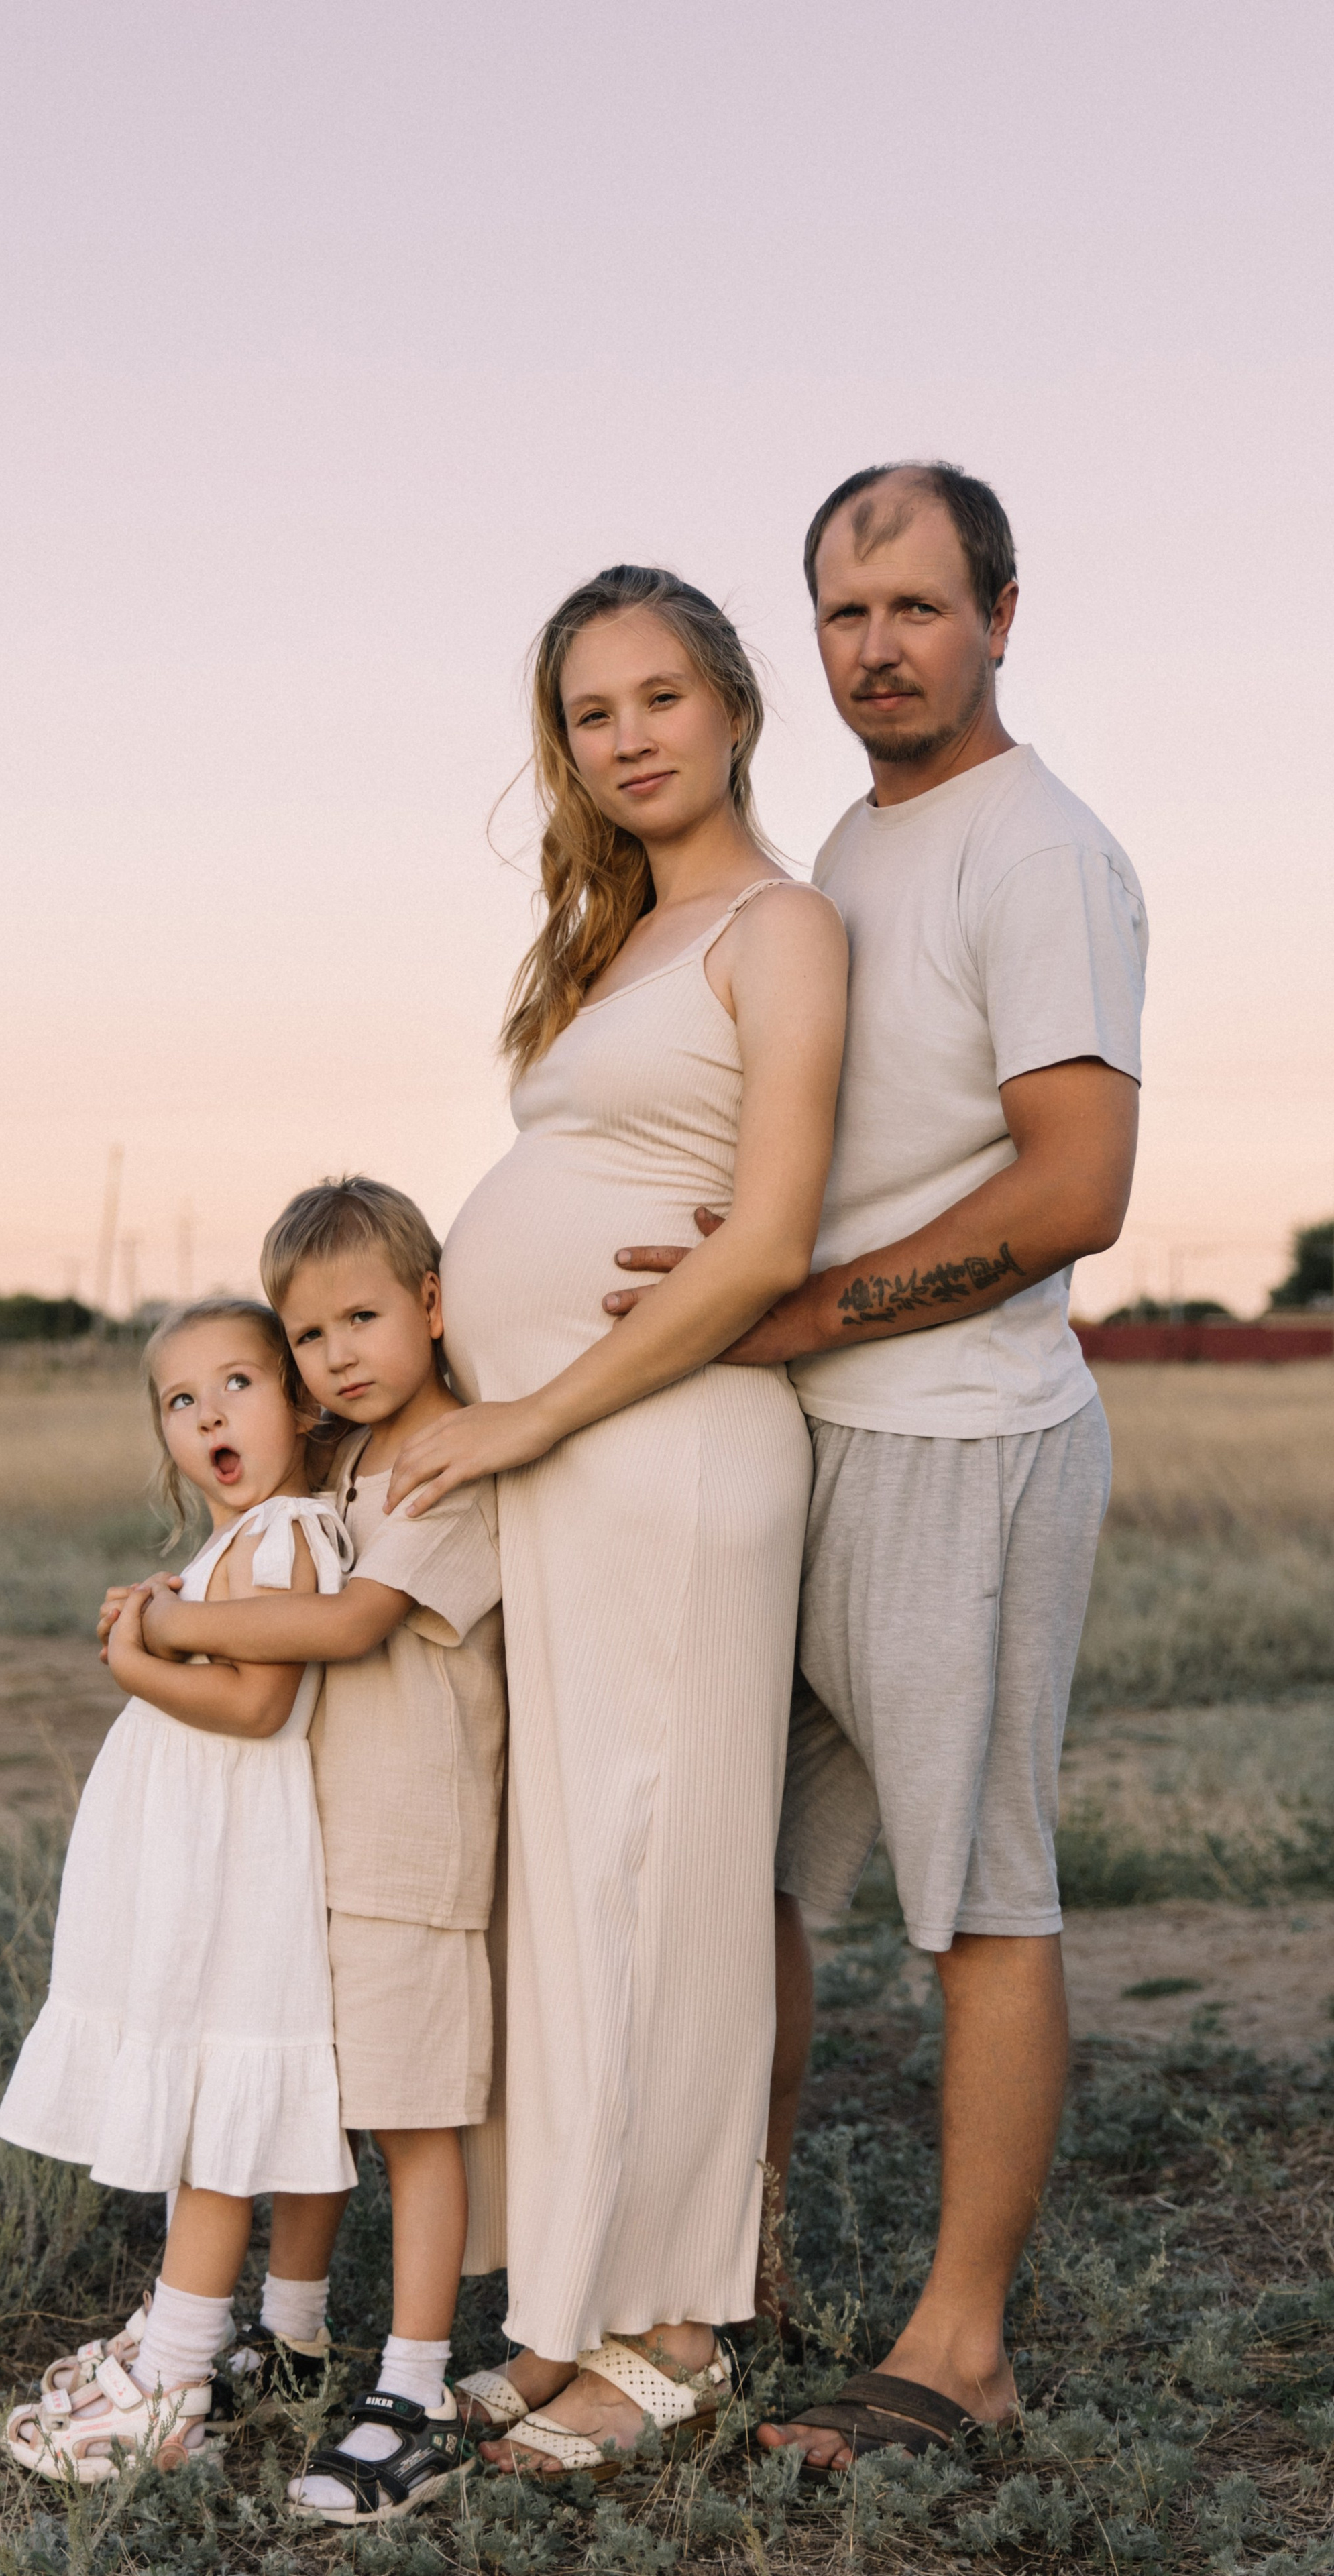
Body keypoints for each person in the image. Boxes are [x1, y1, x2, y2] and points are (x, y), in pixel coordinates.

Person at [609, 463, 1147, 2468]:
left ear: (1003, 612)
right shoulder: (849, 833)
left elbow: (1078, 1184)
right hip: (811, 1451)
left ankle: (960, 2347)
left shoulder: (1043, 851)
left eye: (917, 607)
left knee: (979, 1901)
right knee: (746, 1881)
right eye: (845, 614)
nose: (878, 648)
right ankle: (711, 2278)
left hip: (963, 1449)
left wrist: (796, 1312)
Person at [384, 565, 848, 2478]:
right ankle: (572, 2297)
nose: (633, 733)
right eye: (593, 712)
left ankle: (676, 2327)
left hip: (668, 1453)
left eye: (664, 694)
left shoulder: (783, 925)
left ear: (735, 707)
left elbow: (764, 1235)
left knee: (656, 1879)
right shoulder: (616, 938)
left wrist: (533, 1410)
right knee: (570, 1890)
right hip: (571, 1460)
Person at [135, 1176, 507, 2526]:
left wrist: (167, 1629)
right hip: (319, 1850)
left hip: (411, 1849)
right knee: (311, 2096)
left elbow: (350, 1625)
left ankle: (414, 2390)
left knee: (412, 2120)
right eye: (307, 1334)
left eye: (362, 1316)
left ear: (431, 1304)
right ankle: (290, 2330)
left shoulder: (446, 1458)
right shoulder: (342, 1462)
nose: (338, 1353)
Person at [0, 1297, 357, 2484]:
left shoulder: (282, 1536)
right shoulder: (236, 1549)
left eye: (239, 1383)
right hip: (217, 1852)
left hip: (232, 1859)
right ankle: (229, 2338)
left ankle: (175, 2380)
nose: (211, 1411)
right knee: (242, 2095)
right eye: (182, 1398)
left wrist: (136, 1656)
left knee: (212, 2113)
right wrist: (168, 1613)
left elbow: (257, 1703)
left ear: (302, 1402)